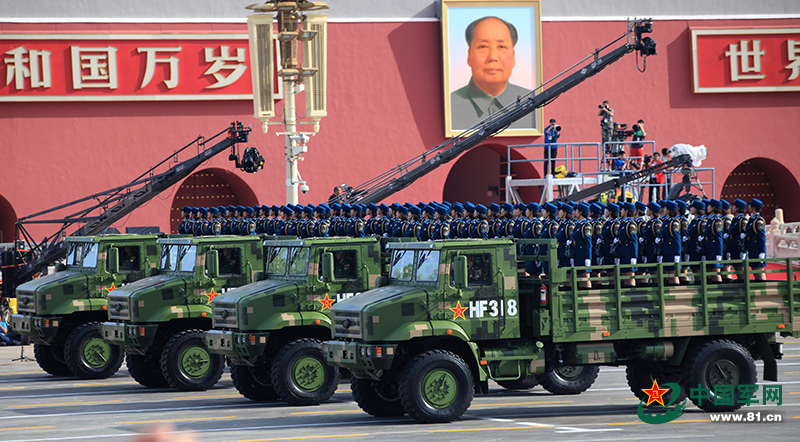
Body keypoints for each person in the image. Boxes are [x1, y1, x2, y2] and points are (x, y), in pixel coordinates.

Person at [450, 16, 533, 130]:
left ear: (513, 57)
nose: (493, 57)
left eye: (501, 47)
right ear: (469, 56)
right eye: (483, 47)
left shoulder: (533, 102)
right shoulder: (450, 105)